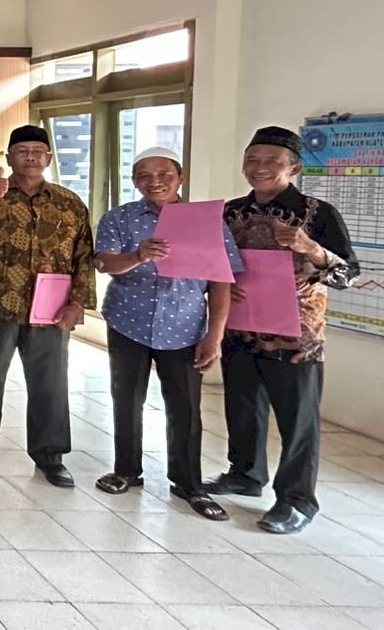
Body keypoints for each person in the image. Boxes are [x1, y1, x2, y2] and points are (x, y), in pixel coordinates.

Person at [203, 126, 359, 534]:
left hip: (296, 335)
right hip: (240, 327)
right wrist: (221, 285)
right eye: (252, 159)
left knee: (298, 419)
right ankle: (245, 474)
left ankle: (297, 500)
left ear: (294, 168)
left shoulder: (318, 213)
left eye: (272, 161)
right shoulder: (230, 212)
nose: (259, 168)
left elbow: (349, 275)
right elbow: (210, 263)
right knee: (242, 406)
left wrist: (311, 248)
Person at [95, 147, 241, 521]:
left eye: (164, 174)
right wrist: (138, 256)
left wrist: (215, 336)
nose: (154, 182)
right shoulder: (120, 218)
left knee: (185, 406)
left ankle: (188, 483)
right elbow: (105, 263)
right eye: (144, 175)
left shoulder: (207, 222)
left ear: (180, 178)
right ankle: (126, 470)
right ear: (134, 181)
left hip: (185, 326)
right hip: (128, 321)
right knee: (126, 398)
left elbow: (222, 280)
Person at [0, 126, 94, 488]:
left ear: (48, 157)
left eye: (37, 151)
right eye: (21, 151)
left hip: (50, 310)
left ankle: (51, 456)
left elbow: (83, 256)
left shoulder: (69, 203)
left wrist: (79, 303)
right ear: (9, 157)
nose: (30, 157)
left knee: (50, 384)